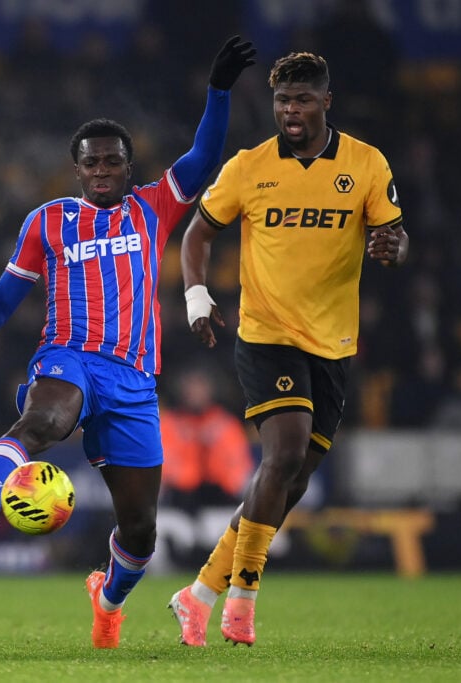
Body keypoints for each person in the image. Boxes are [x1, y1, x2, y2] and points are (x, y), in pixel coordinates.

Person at [0, 37, 257, 648]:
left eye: (113, 162)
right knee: (45, 421)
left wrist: (217, 92)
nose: (103, 172)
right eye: (93, 163)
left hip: (134, 381)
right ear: (77, 168)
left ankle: (107, 602)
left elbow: (205, 155)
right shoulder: (48, 221)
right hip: (69, 357)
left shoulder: (154, 207)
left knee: (140, 533)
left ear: (127, 167)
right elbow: (3, 302)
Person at [168, 52, 409, 647]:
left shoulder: (366, 164)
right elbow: (198, 233)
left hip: (333, 344)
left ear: (326, 102)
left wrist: (391, 249)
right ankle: (242, 602)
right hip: (266, 334)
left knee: (292, 479)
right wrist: (196, 296)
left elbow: (395, 238)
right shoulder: (249, 167)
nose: (291, 111)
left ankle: (197, 594)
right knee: (282, 455)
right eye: (282, 101)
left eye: (302, 100)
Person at [159, 366, 253, 512]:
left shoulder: (226, 424)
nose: (196, 392)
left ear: (210, 389)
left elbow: (239, 467)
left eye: (200, 386)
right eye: (191, 386)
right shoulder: (168, 424)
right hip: (177, 499)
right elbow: (163, 465)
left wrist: (217, 476)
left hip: (222, 499)